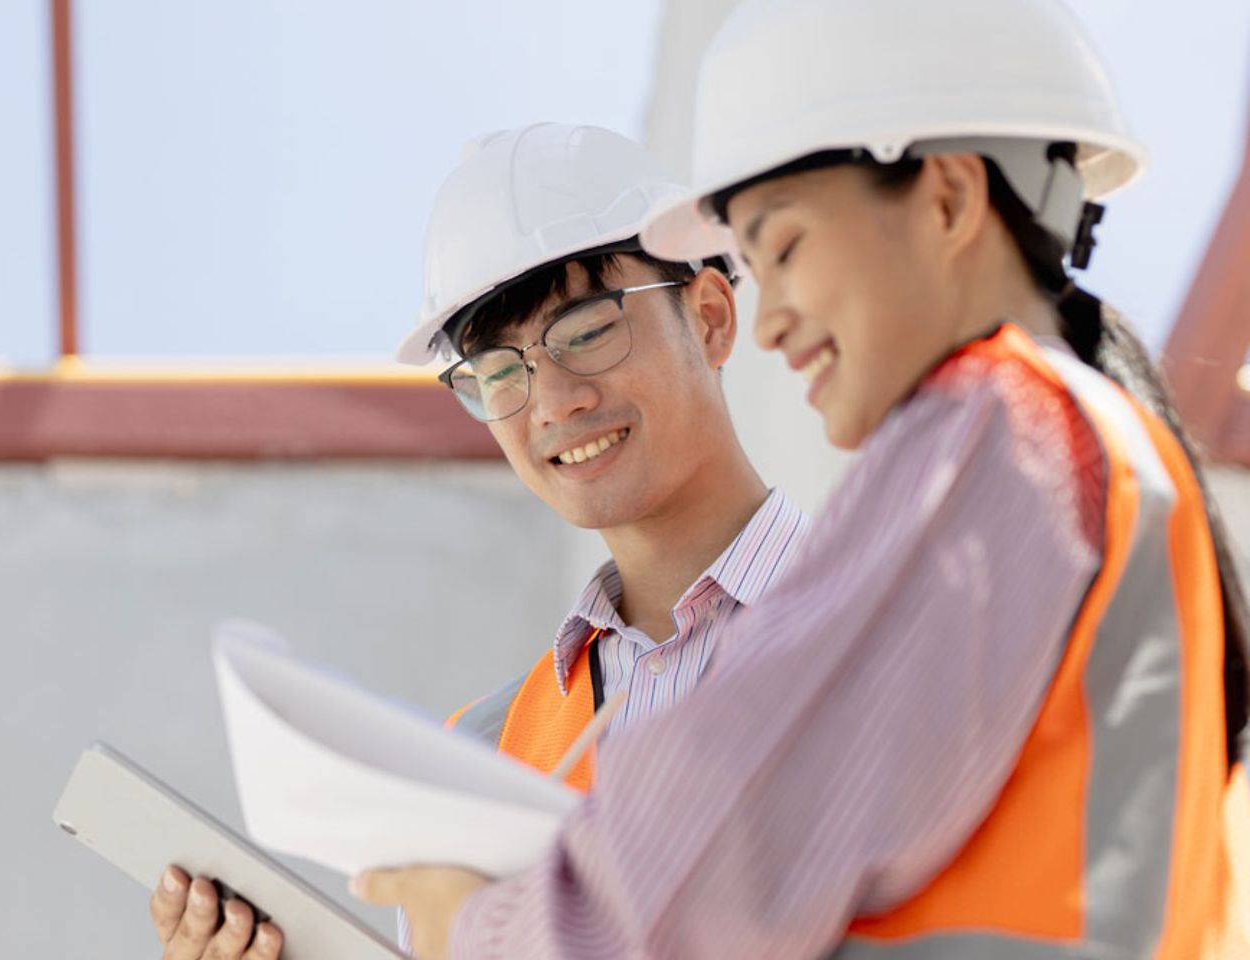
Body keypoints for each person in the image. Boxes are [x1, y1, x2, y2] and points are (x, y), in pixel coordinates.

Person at [351, 1, 1250, 957]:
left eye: (779, 248)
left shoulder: (998, 428)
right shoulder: (1092, 443)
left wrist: (480, 927)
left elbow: (716, 875)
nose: (770, 320)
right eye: (495, 373)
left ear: (945, 200)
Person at [147, 123, 809, 959]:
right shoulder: (478, 753)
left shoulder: (898, 618)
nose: (554, 400)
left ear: (710, 317)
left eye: (587, 328)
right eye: (499, 369)